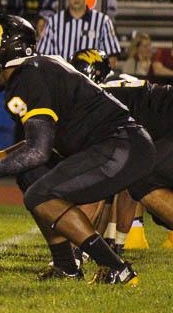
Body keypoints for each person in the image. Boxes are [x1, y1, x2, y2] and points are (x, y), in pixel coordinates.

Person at [0, 14, 156, 285]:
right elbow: (34, 148)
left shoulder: (27, 79)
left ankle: (116, 268)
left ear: (7, 50)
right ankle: (66, 266)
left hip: (119, 145)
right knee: (31, 176)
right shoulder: (35, 70)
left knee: (39, 195)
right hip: (114, 145)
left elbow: (38, 151)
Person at [72, 48, 173, 250]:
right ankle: (115, 244)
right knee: (138, 178)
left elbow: (97, 186)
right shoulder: (119, 88)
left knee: (141, 178)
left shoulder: (98, 102)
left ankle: (103, 247)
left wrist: (75, 248)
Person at [37, 0, 121, 69]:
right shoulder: (54, 22)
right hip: (61, 80)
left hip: (91, 81)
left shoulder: (102, 21)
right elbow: (43, 57)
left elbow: (112, 59)